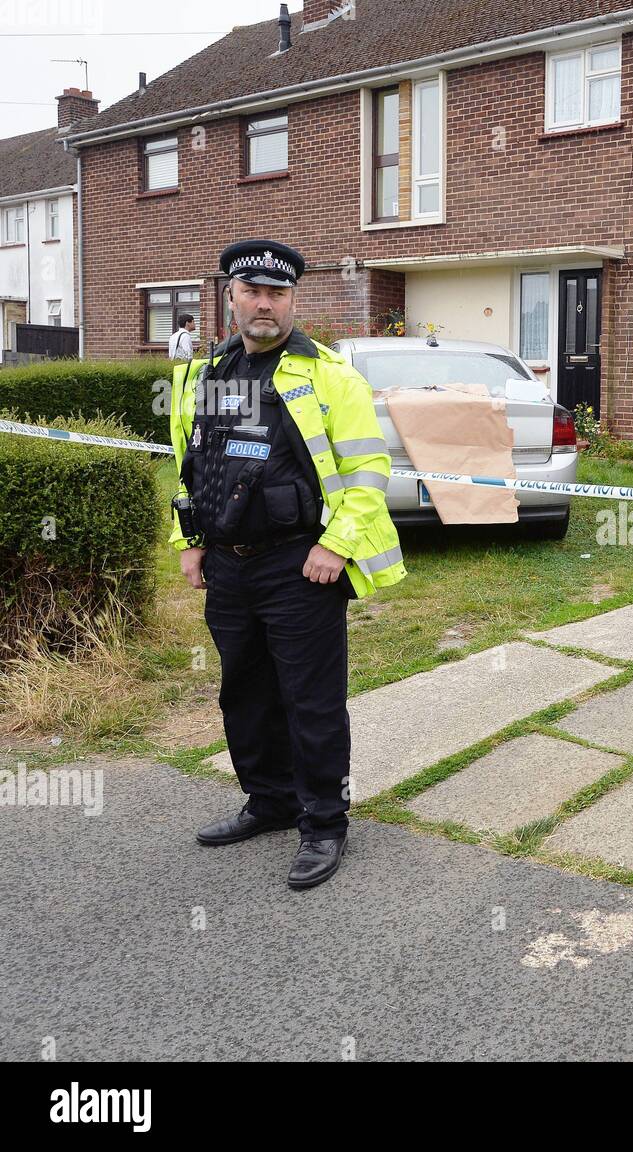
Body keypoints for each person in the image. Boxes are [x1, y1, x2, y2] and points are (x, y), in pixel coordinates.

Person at [168, 239, 406, 889]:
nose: (264, 304)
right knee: (243, 690)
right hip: (226, 564)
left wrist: (336, 546)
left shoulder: (328, 376)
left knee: (312, 700)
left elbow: (366, 472)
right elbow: (192, 465)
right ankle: (269, 801)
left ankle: (324, 822)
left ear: (293, 300)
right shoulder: (206, 373)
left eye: (277, 293)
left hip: (299, 565)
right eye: (253, 292)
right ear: (233, 298)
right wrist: (189, 541)